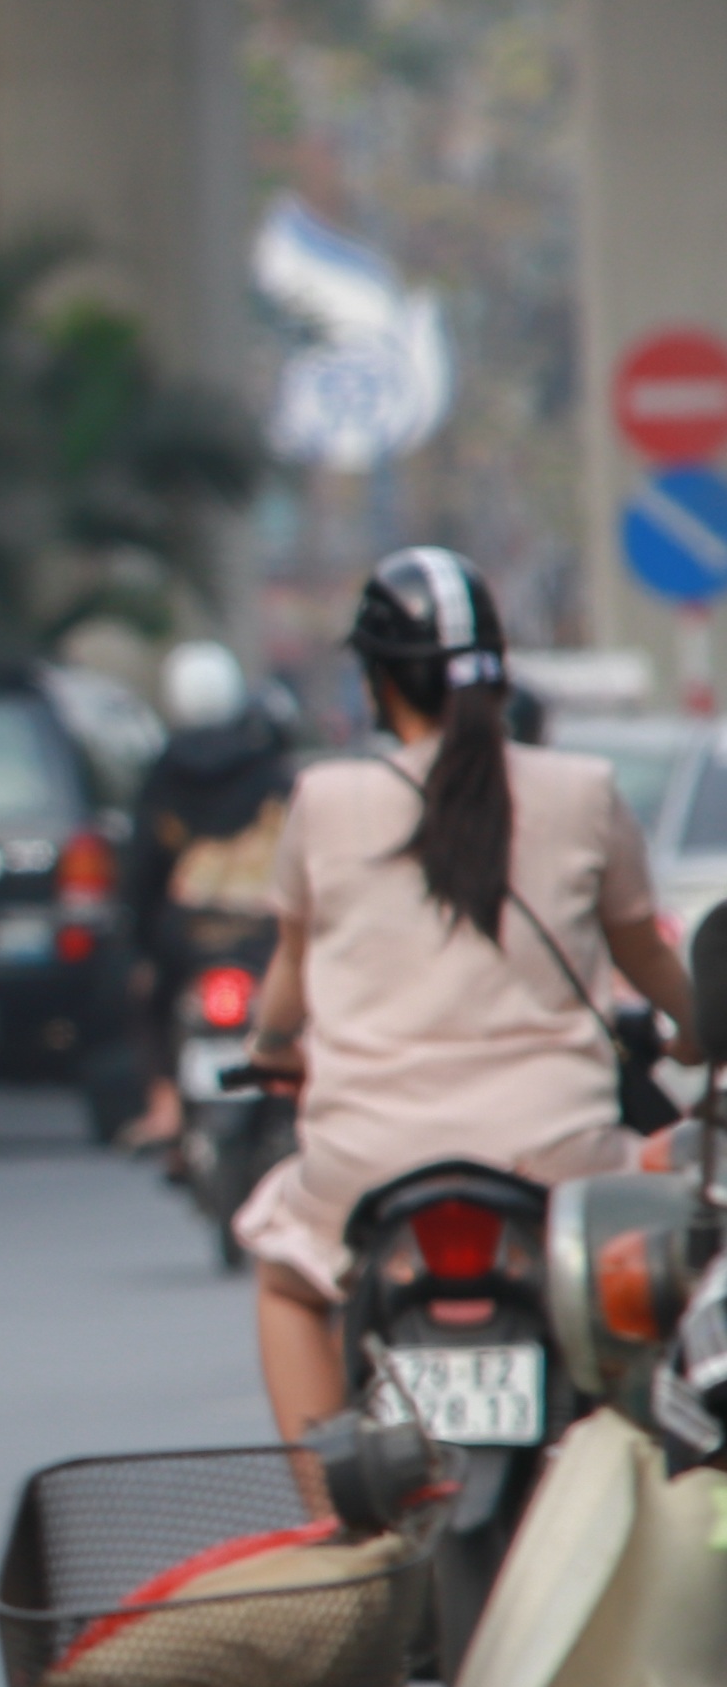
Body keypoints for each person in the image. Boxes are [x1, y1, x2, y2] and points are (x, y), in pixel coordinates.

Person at [233, 549, 688, 1436]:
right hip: (557, 1164)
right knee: (677, 1252)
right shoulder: (583, 790)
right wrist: (701, 1035)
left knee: (286, 1279)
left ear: (376, 682)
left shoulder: (326, 799)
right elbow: (651, 964)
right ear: (501, 671)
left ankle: (336, 1523)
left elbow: (288, 983)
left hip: (367, 1165)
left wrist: (270, 1051)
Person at [124, 637, 300, 1145]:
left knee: (146, 993)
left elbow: (141, 870)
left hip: (187, 941)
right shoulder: (270, 770)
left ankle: (163, 1105)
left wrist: (138, 945)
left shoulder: (163, 775)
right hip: (266, 938)